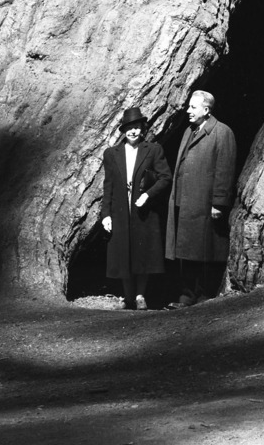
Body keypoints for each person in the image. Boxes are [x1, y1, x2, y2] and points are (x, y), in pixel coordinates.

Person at [165, 87, 237, 305]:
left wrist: (219, 202)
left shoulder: (222, 132)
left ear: (206, 110)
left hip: (204, 204)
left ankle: (204, 294)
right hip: (184, 202)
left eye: (192, 107)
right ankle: (186, 294)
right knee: (185, 251)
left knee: (206, 251)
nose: (188, 111)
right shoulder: (189, 131)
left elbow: (225, 170)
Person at [100, 105, 171, 309]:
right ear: (123, 130)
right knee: (124, 252)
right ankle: (128, 295)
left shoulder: (153, 150)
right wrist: (106, 214)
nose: (133, 131)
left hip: (143, 211)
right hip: (120, 211)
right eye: (129, 128)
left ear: (143, 128)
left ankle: (140, 295)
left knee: (143, 253)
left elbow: (166, 177)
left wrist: (148, 195)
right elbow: (109, 185)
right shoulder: (112, 154)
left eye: (137, 127)